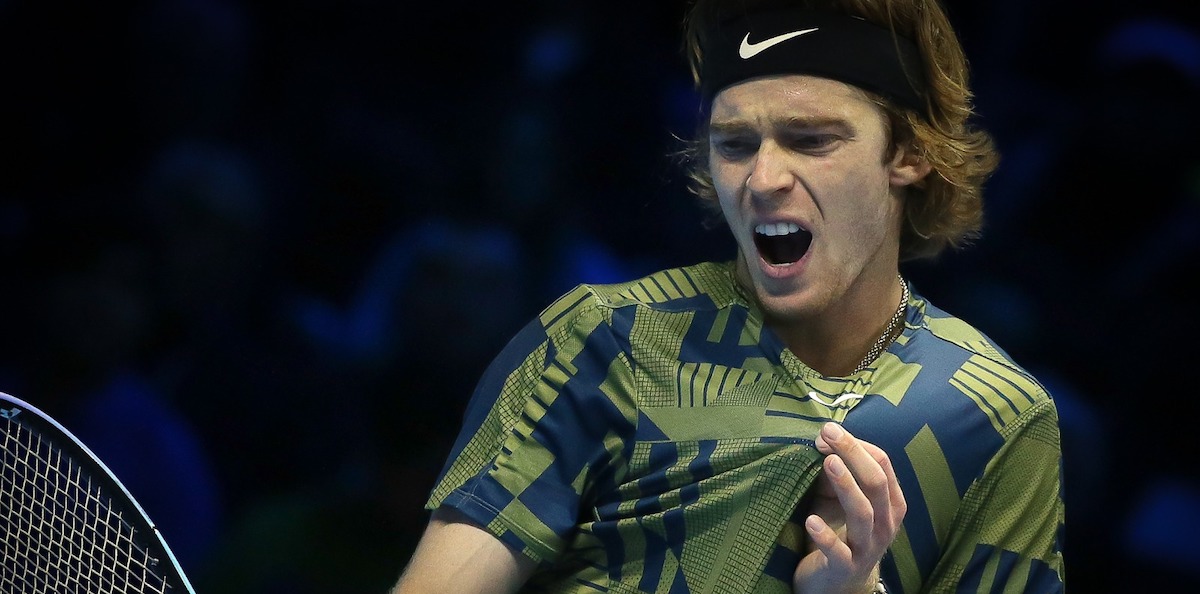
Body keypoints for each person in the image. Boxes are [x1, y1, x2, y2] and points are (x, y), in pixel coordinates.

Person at [389, 0, 1066, 592]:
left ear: (908, 153)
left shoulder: (1000, 418)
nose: (762, 178)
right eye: (736, 145)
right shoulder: (601, 342)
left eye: (811, 140)